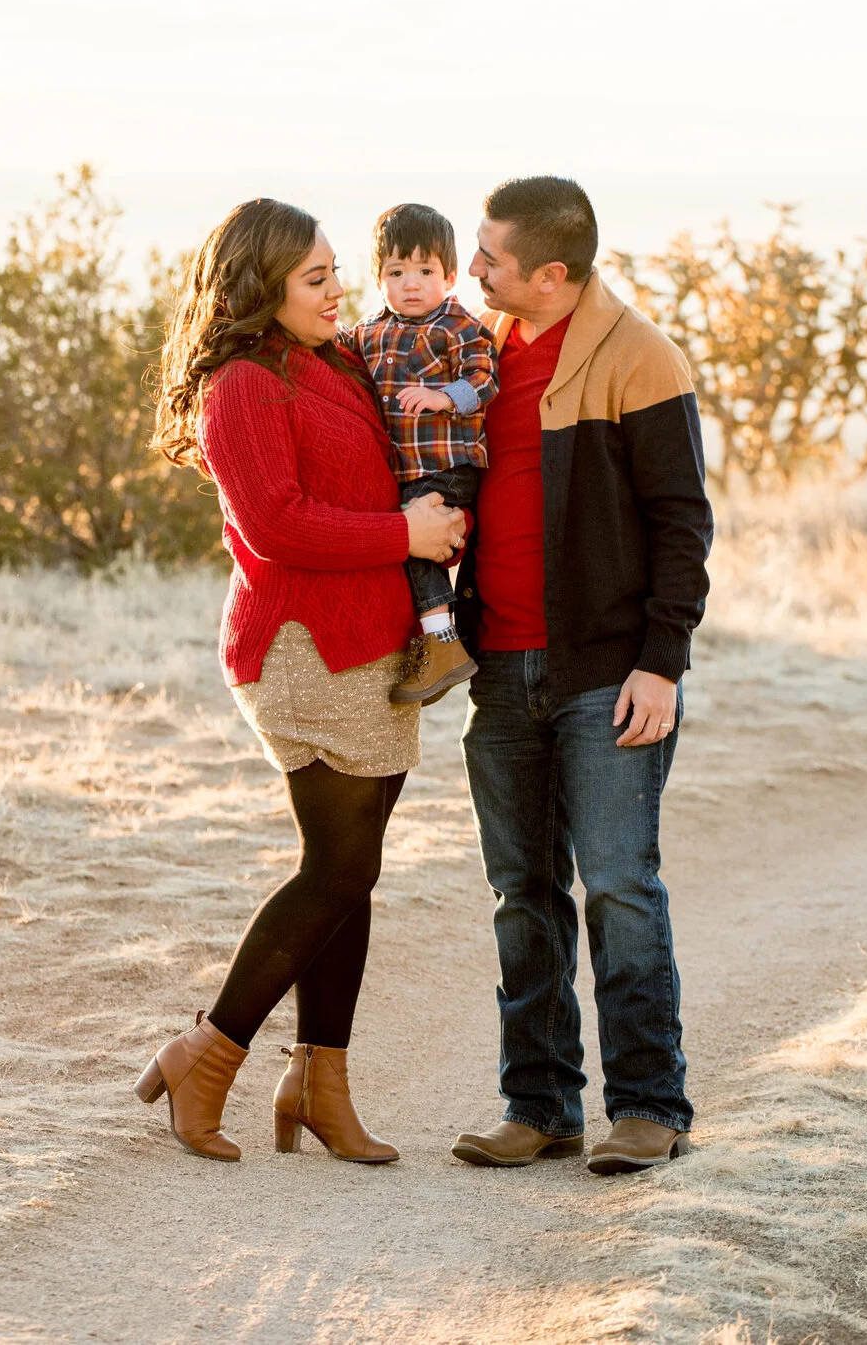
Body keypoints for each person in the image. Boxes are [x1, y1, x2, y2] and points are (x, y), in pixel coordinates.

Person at [137, 198, 470, 1165]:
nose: (339, 291)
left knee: (352, 871)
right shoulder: (239, 385)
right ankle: (209, 1050)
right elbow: (278, 523)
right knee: (336, 868)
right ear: (262, 287)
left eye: (336, 273)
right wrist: (404, 535)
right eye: (316, 278)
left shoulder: (330, 360)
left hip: (374, 646)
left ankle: (321, 1080)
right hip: (302, 649)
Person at [447, 175, 713, 1176]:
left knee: (616, 888)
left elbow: (683, 522)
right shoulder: (481, 350)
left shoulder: (640, 357)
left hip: (608, 672)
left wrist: (660, 661)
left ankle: (647, 1104)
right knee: (521, 893)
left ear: (551, 276)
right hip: (500, 667)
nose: (475, 270)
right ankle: (540, 1104)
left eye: (492, 258)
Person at [338, 203, 499, 706]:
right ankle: (425, 637)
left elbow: (484, 377)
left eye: (425, 271)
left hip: (448, 466)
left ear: (449, 276)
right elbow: (336, 356)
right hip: (402, 469)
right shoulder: (368, 331)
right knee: (398, 541)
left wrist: (446, 396)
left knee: (413, 532)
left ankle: (441, 640)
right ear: (378, 277)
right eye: (397, 271)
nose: (412, 283)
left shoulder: (458, 326)